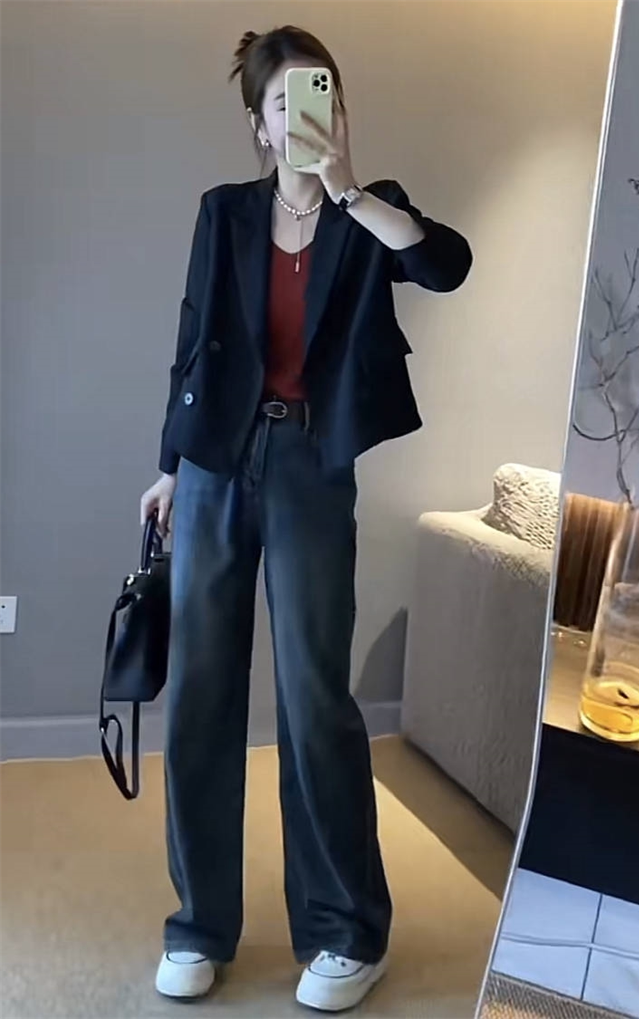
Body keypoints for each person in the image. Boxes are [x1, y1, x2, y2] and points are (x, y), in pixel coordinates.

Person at [140, 24, 472, 1013]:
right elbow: (194, 339)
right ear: (259, 125)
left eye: (321, 97)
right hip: (216, 462)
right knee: (200, 692)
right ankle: (199, 924)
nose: (304, 117)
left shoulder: (370, 212)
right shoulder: (225, 212)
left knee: (314, 694)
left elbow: (445, 267)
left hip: (310, 467)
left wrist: (352, 192)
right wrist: (168, 467)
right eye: (285, 103)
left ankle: (345, 929)